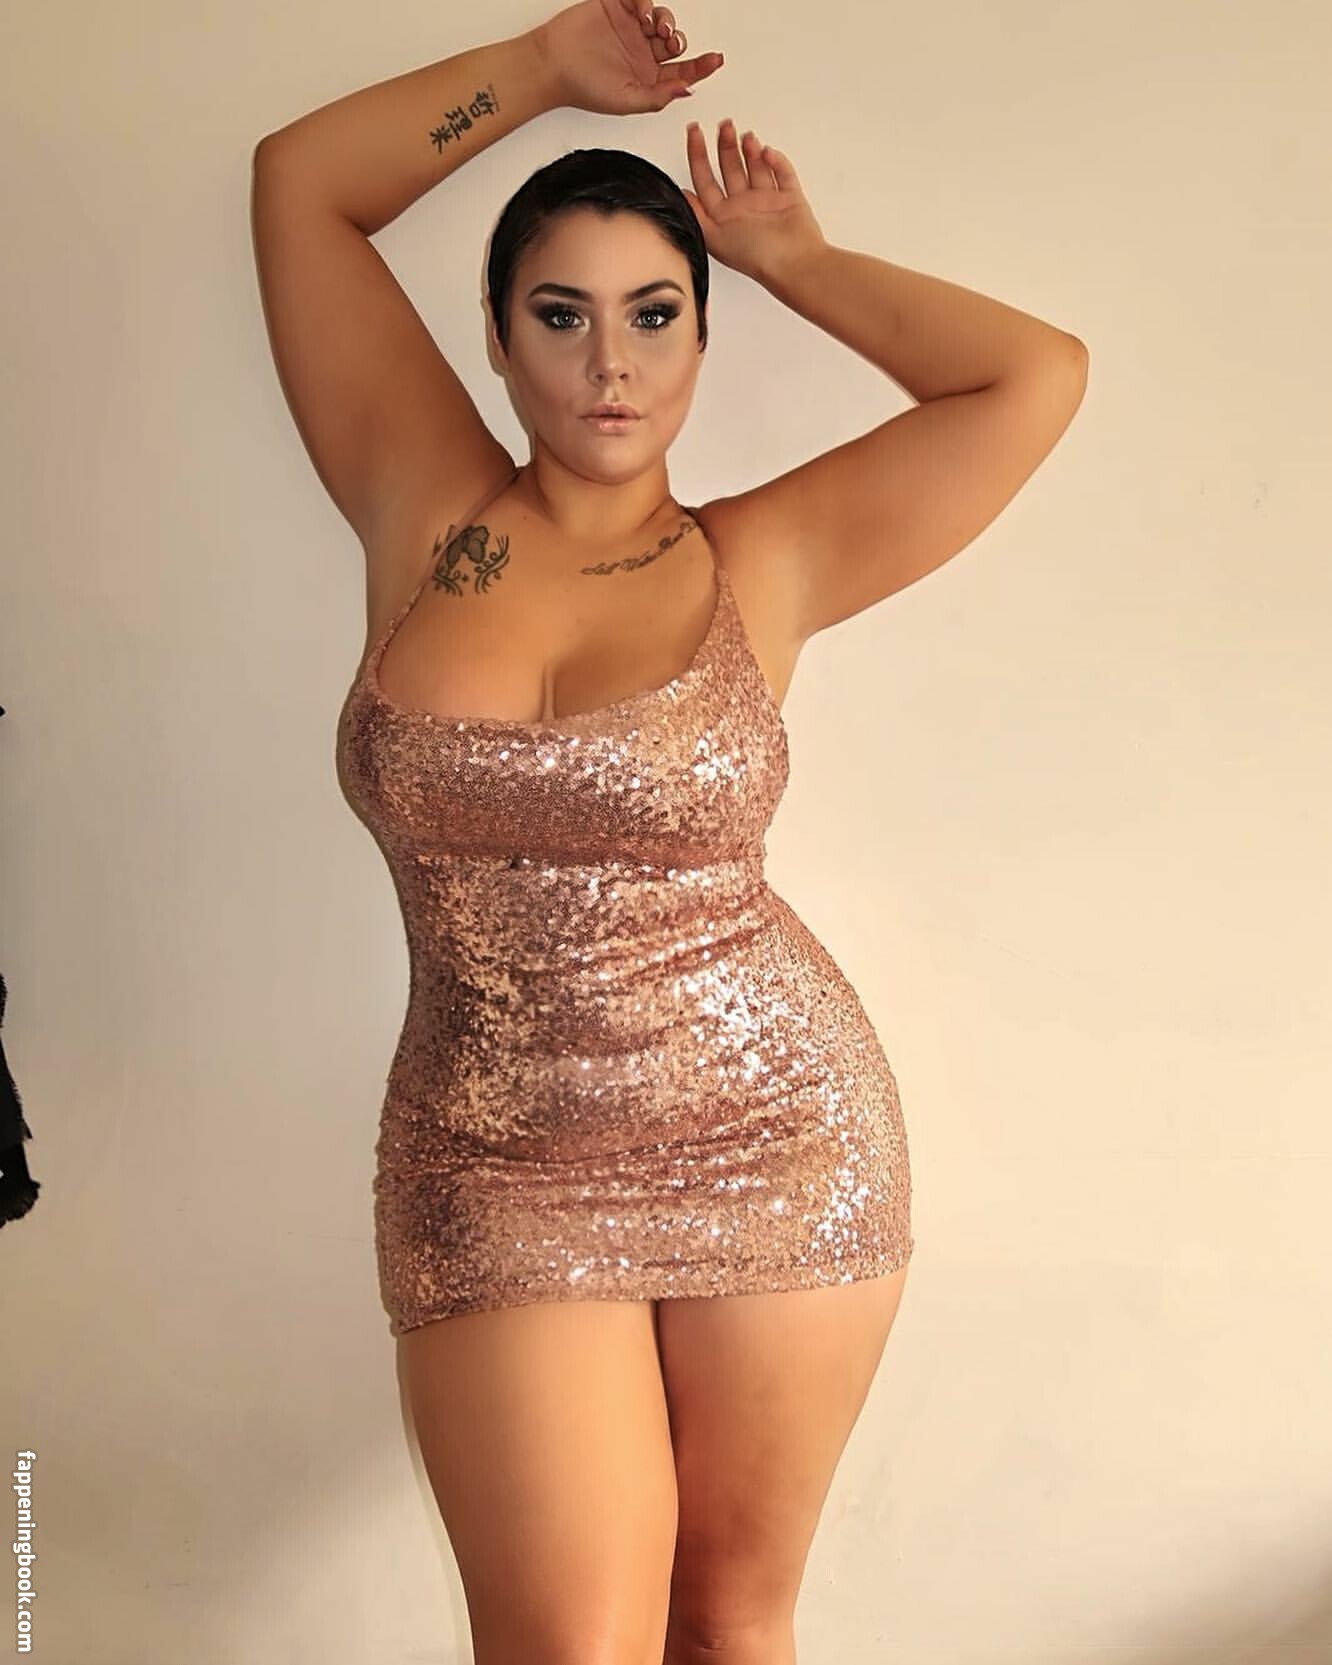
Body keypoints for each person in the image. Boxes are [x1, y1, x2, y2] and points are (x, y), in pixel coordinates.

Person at [250, 4, 1088, 1660]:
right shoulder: (424, 505)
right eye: (560, 317)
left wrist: (797, 260)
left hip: (774, 1130)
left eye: (655, 315)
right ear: (498, 341)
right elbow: (298, 184)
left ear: (704, 337)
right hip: (492, 1156)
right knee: (571, 1644)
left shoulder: (765, 555)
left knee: (727, 1625)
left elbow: (1035, 375)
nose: (610, 366)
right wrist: (548, 69)